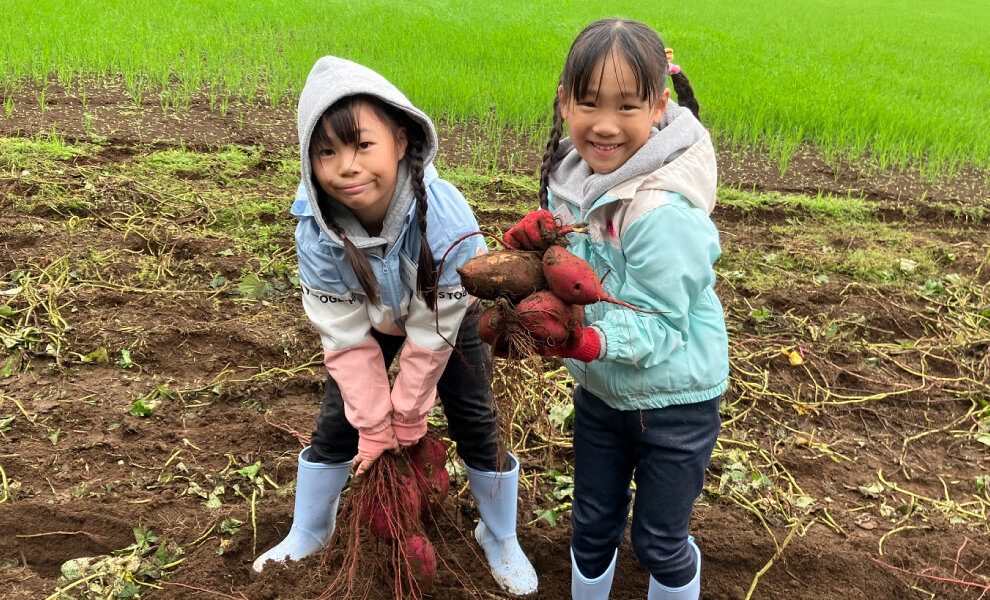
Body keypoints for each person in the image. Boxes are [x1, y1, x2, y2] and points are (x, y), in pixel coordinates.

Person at [251, 56, 537, 596]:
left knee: (475, 416)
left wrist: (405, 414)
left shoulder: (446, 219)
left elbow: (433, 334)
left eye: (362, 145)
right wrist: (373, 421)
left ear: (402, 142)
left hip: (449, 314)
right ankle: (311, 527)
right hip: (370, 316)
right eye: (326, 153)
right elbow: (341, 333)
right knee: (339, 419)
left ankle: (498, 534)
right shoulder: (317, 230)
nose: (347, 166)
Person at [504, 19, 727, 600]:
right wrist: (533, 247)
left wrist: (583, 342)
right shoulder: (576, 177)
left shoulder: (661, 212)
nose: (604, 126)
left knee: (658, 540)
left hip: (676, 400)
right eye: (587, 103)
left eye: (627, 106)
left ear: (658, 107)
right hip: (603, 392)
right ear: (564, 101)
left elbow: (661, 322)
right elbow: (569, 276)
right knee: (592, 524)